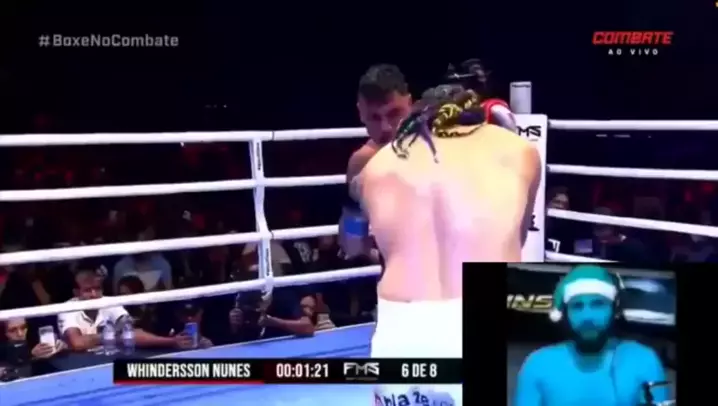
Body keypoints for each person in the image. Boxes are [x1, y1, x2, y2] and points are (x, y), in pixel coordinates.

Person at [345, 82, 541, 405]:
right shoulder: (520, 151)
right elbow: (518, 237)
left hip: (401, 328)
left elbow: (352, 244)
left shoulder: (375, 165)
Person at [514, 265, 669, 406]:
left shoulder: (643, 360)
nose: (587, 317)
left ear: (615, 309)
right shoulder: (538, 364)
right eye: (577, 306)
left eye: (598, 304)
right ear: (565, 314)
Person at [339, 64, 413, 263]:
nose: (386, 127)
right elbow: (353, 243)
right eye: (374, 117)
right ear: (360, 112)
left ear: (410, 104)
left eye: (394, 113)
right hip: (407, 275)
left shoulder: (443, 144)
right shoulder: (362, 163)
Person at [58, 268, 194, 352]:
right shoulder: (68, 308)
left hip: (107, 360)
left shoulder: (109, 302)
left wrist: (172, 341)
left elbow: (130, 331)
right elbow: (78, 343)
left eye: (97, 289)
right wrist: (112, 335)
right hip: (75, 365)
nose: (94, 294)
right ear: (76, 292)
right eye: (88, 290)